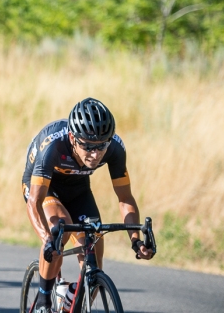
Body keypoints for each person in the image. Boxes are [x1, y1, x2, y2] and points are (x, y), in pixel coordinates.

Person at [22, 98, 154, 313]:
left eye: (101, 146)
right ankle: (43, 301)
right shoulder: (53, 144)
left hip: (78, 189)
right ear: (73, 138)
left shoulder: (115, 148)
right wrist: (47, 240)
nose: (95, 154)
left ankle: (70, 301)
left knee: (93, 255)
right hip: (45, 188)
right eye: (88, 147)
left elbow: (125, 198)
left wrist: (136, 241)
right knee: (59, 231)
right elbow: (34, 202)